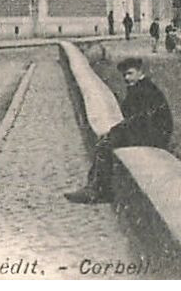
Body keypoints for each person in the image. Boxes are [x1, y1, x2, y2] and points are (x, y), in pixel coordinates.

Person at [64, 57, 173, 204]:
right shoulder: (139, 87)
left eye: (130, 73)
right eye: (124, 75)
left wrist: (117, 131)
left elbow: (139, 119)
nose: (127, 78)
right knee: (106, 141)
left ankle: (97, 189)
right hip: (149, 131)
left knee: (106, 144)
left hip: (154, 136)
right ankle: (95, 186)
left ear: (140, 72)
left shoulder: (145, 90)